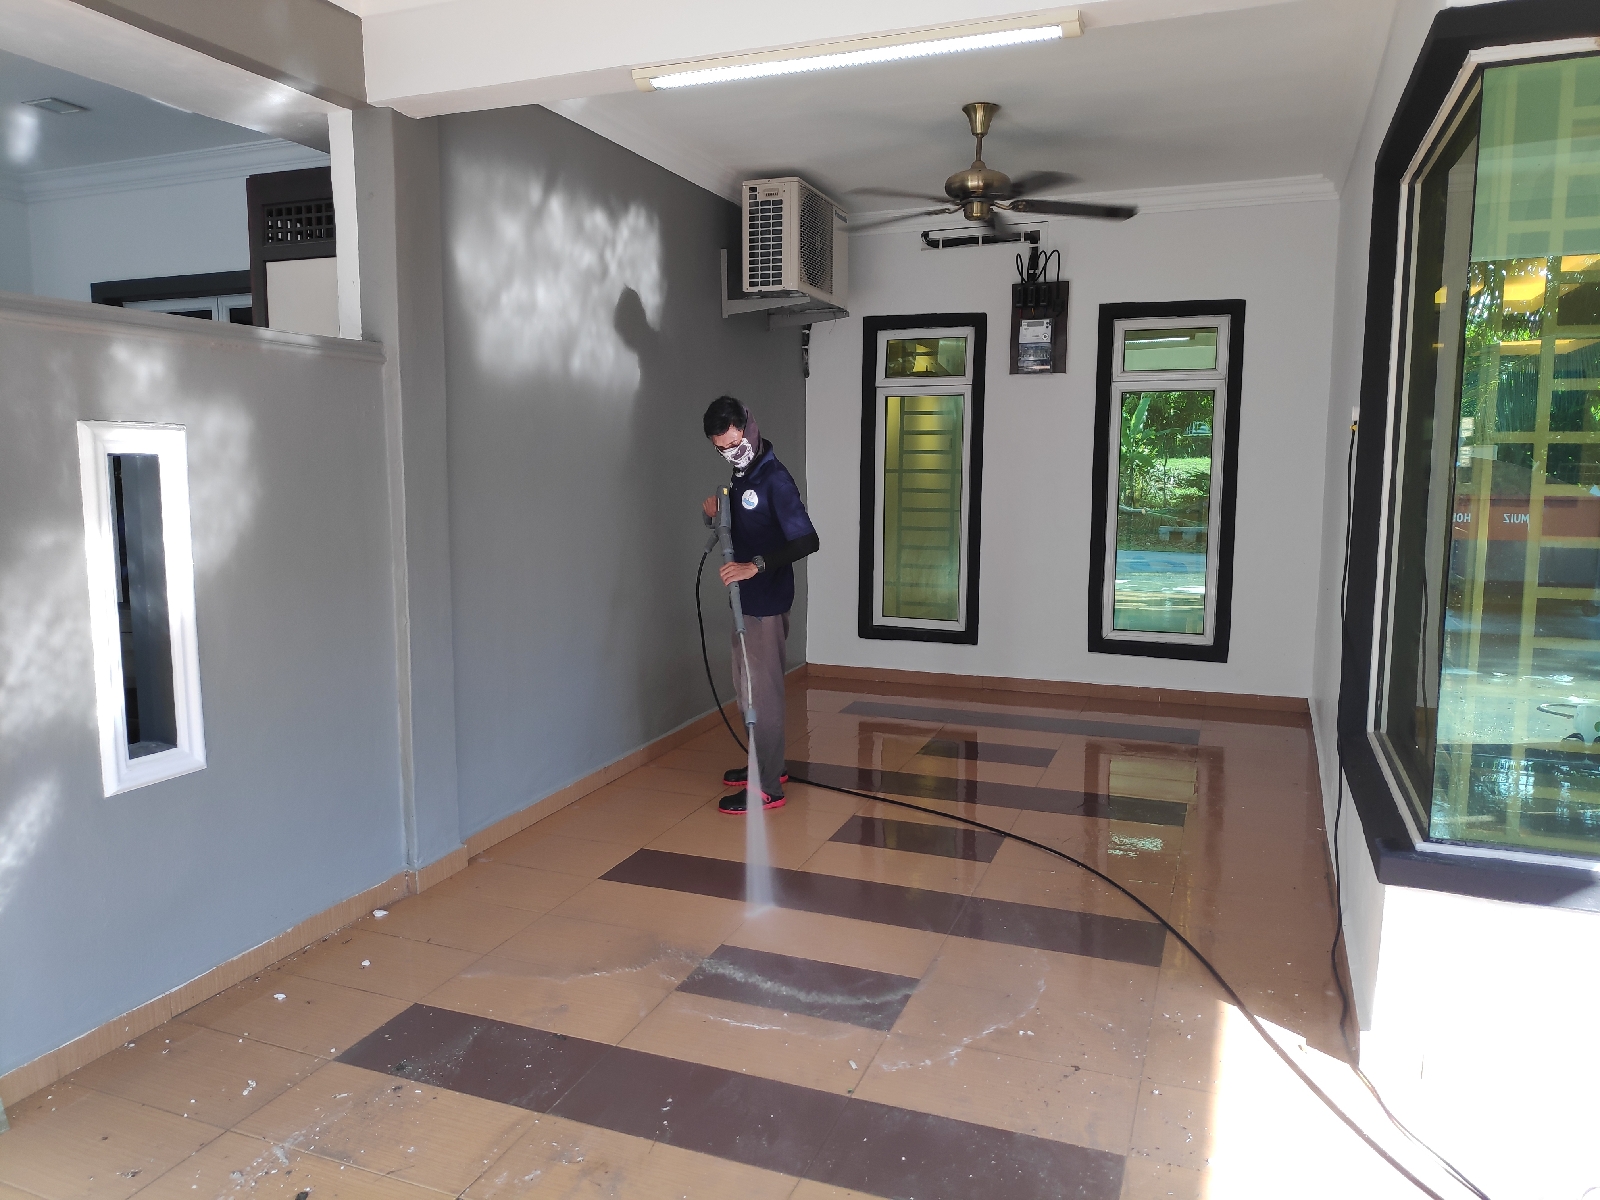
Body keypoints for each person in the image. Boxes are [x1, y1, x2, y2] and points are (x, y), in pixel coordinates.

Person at [701, 396, 818, 815]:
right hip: (745, 602)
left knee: (761, 696)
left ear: (749, 427)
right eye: (722, 449)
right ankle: (767, 766)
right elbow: (749, 527)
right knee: (746, 687)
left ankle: (767, 787)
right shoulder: (742, 476)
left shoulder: (774, 478)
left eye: (735, 444)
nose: (731, 453)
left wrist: (756, 566)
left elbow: (807, 540)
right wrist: (715, 514)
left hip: (765, 603)